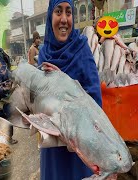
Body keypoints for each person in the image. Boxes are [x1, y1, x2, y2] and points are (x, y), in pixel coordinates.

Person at [36, 0, 102, 179]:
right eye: (58, 12)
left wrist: (64, 83)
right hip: (52, 146)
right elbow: (36, 96)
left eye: (68, 12)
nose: (64, 19)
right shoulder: (43, 53)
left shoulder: (81, 49)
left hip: (77, 148)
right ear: (50, 17)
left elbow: (95, 101)